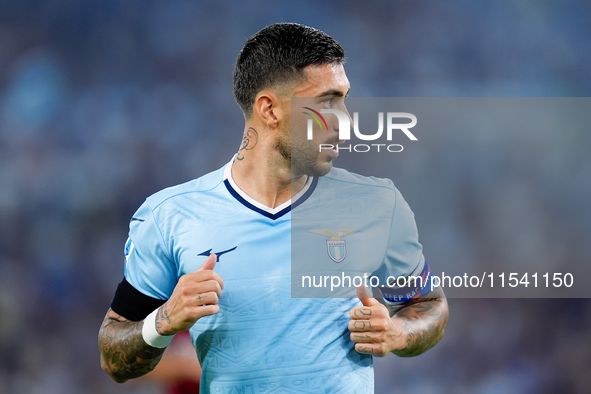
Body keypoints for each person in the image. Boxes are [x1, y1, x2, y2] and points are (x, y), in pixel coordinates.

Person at [99, 23, 448, 393]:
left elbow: (429, 306)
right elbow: (113, 356)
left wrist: (397, 332)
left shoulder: (376, 204)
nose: (345, 121)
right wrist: (163, 320)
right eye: (328, 102)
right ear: (269, 109)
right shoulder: (169, 215)